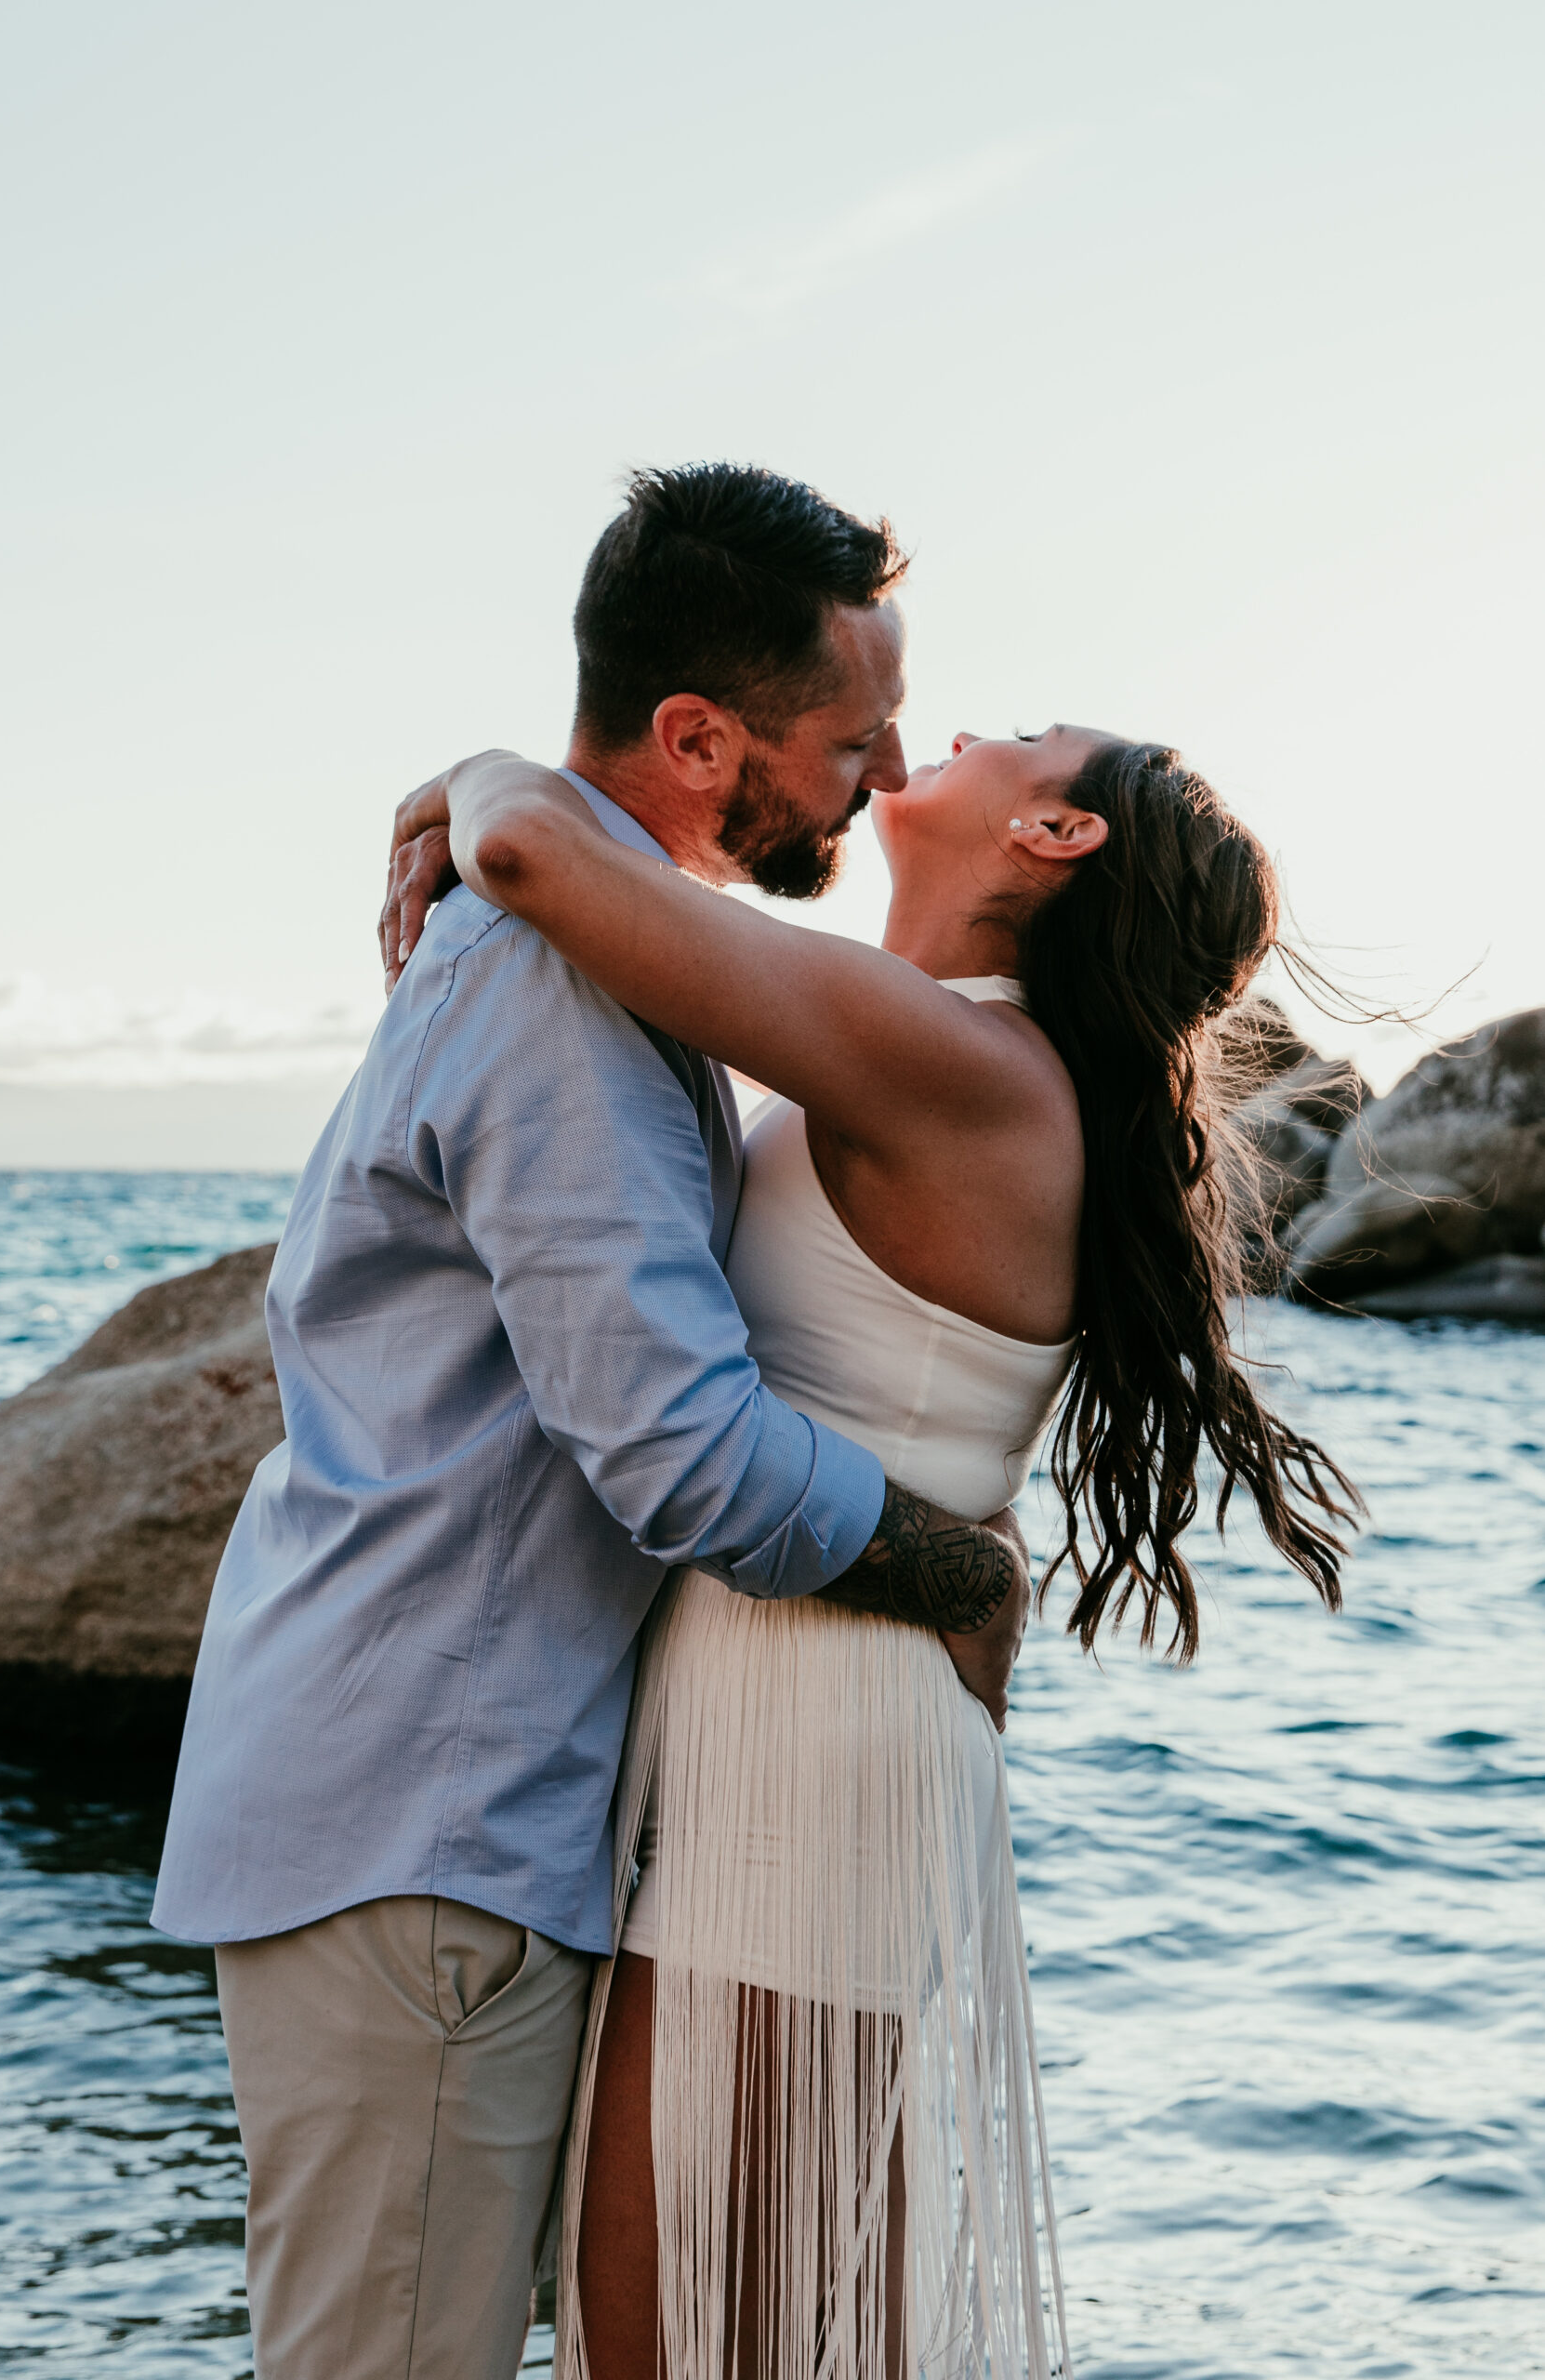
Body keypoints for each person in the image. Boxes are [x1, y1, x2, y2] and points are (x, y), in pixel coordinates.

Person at [150, 463, 1036, 2380]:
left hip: (425, 1804)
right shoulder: (560, 983)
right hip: (426, 1821)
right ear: (700, 737)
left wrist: (493, 787)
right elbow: (675, 1445)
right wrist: (950, 1562)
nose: (875, 779)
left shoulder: (586, 944)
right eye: (845, 739)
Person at [385, 707, 1362, 2379]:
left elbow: (535, 855)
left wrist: (466, 776)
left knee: (683, 2339)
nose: (966, 730)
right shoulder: (942, 1053)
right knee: (735, 2330)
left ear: (1056, 841)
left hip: (811, 1755)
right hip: (808, 1717)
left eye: (1025, 739)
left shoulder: (958, 1059)